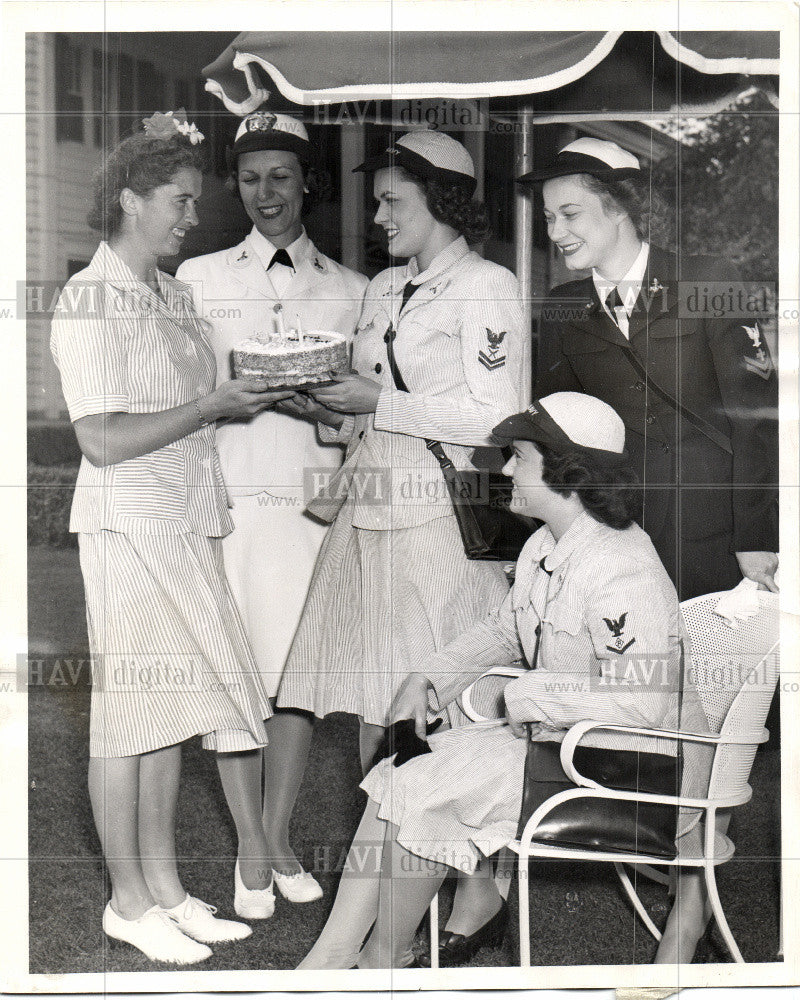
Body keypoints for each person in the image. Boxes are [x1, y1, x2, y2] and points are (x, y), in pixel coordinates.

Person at [297, 392, 709, 970]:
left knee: (432, 780)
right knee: (403, 770)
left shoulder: (622, 569)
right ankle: (348, 956)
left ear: (568, 472)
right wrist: (427, 677)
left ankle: (369, 961)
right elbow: (503, 629)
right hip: (573, 744)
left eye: (518, 456)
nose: (505, 469)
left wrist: (525, 694)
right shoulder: (548, 544)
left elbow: (642, 701)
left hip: (638, 765)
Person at [49, 112, 292, 964]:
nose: (193, 216)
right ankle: (125, 900)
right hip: (126, 526)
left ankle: (165, 890)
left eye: (194, 201)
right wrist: (209, 407)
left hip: (187, 522)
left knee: (170, 716)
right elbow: (103, 438)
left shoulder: (177, 293)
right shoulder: (88, 298)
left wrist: (249, 395)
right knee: (124, 718)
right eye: (179, 201)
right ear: (129, 199)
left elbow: (193, 411)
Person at [273, 129, 527, 859]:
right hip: (368, 512)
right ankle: (389, 879)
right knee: (373, 704)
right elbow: (370, 406)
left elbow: (497, 418)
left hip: (438, 522)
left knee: (428, 703)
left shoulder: (489, 286)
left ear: (442, 199)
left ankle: (455, 880)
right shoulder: (384, 287)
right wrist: (327, 409)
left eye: (392, 200)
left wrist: (377, 402)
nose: (378, 216)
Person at [176, 113, 368, 905]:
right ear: (236, 185)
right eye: (251, 178)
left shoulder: (353, 290)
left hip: (309, 507)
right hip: (230, 502)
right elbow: (181, 399)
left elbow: (362, 413)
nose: (266, 193)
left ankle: (280, 831)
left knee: (296, 677)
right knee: (235, 676)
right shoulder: (197, 280)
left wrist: (330, 413)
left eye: (281, 176)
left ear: (307, 183)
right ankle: (250, 847)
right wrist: (232, 401)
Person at [519, 137, 778, 602]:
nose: (556, 232)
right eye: (548, 218)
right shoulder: (562, 307)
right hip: (615, 533)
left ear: (619, 207)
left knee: (712, 668)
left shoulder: (707, 280)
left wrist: (757, 537)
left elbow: (756, 419)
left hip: (711, 532)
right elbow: (559, 434)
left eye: (570, 214)